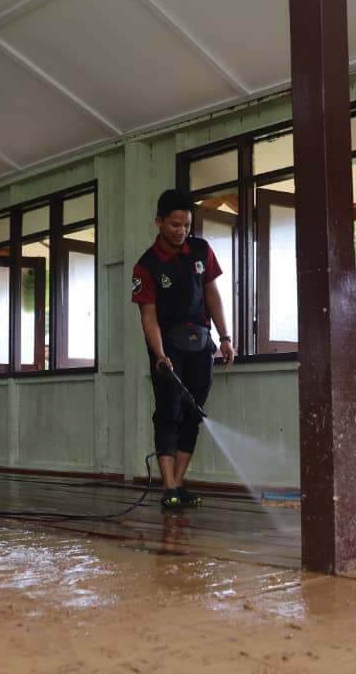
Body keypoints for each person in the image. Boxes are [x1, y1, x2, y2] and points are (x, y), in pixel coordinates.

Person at [132, 189, 235, 509]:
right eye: (175, 225)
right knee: (168, 412)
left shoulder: (201, 250)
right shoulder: (146, 266)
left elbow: (212, 295)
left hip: (201, 343)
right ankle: (168, 487)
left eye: (187, 226)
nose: (181, 232)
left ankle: (178, 485)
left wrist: (225, 337)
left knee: (194, 412)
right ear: (160, 222)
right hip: (168, 347)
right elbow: (148, 317)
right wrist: (160, 355)